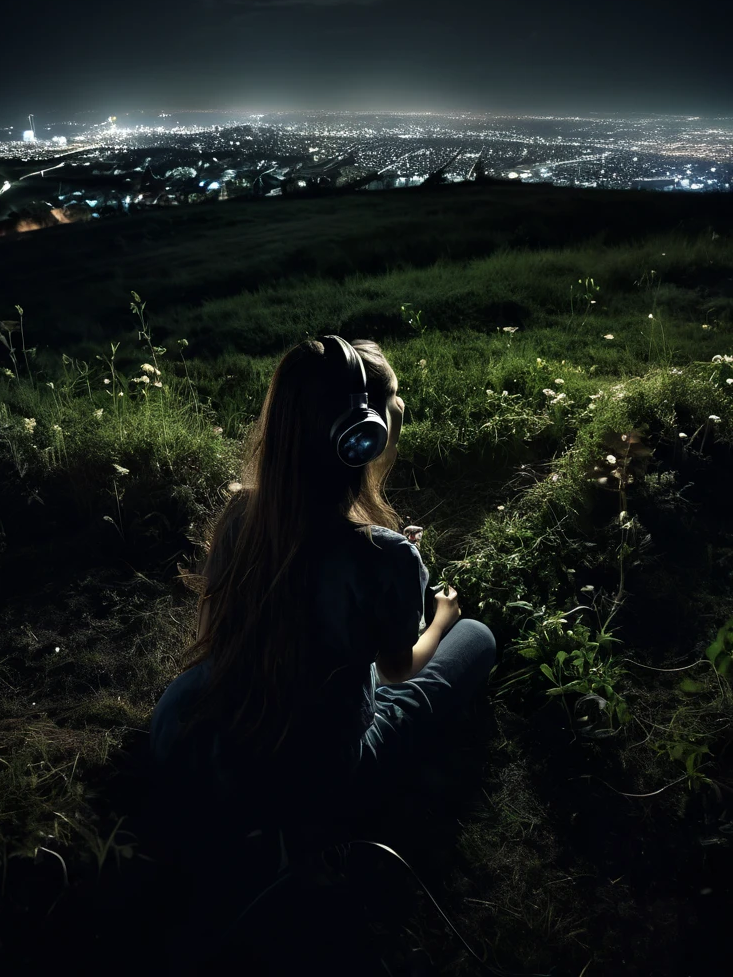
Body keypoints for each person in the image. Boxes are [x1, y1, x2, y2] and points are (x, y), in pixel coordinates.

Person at [147, 336, 496, 865]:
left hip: (188, 738)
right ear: (364, 435)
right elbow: (399, 670)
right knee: (477, 638)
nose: (398, 408)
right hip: (315, 780)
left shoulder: (241, 515)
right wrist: (439, 621)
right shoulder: (387, 556)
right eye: (393, 400)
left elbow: (220, 629)